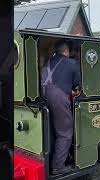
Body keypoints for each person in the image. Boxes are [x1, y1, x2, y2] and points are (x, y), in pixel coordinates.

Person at [41, 41, 81, 175]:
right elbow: (77, 88)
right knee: (65, 133)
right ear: (67, 51)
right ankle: (58, 166)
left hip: (44, 98)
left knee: (53, 131)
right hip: (58, 99)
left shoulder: (47, 63)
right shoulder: (72, 63)